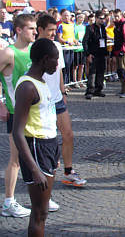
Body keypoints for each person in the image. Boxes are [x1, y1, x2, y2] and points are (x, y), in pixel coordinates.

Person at [12, 38, 60, 236]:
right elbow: (17, 131)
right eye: (55, 60)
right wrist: (34, 169)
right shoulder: (27, 87)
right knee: (39, 212)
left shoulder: (40, 81)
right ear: (44, 59)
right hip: (36, 147)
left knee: (43, 211)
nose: (57, 65)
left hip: (47, 145)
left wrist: (55, 151)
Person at [37, 15, 87, 188]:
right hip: (41, 102)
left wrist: (63, 91)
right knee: (45, 139)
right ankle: (41, 172)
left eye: (54, 29)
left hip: (57, 98)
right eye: (50, 30)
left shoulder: (57, 46)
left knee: (68, 134)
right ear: (40, 30)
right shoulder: (34, 49)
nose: (53, 33)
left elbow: (59, 71)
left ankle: (68, 170)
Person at [0, 14, 36, 217]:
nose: (34, 32)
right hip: (16, 114)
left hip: (36, 113)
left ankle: (41, 197)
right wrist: (0, 104)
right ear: (19, 30)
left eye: (35, 28)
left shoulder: (34, 50)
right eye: (31, 28)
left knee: (37, 157)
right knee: (15, 159)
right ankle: (8, 202)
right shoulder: (8, 53)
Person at [82, 10, 108, 100]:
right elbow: (85, 42)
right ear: (96, 18)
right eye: (100, 18)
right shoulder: (90, 28)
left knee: (101, 71)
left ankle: (98, 89)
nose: (102, 20)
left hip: (102, 53)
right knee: (92, 73)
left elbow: (104, 40)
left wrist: (106, 53)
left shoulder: (103, 28)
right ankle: (90, 91)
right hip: (93, 54)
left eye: (103, 18)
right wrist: (88, 54)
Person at [113, 9, 125, 98]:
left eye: (117, 16)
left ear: (121, 16)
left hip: (122, 52)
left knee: (124, 71)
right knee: (120, 71)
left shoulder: (124, 25)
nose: (116, 18)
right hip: (118, 50)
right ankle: (123, 89)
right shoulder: (117, 25)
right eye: (115, 16)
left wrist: (123, 50)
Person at [56, 9, 76, 85]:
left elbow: (73, 37)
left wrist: (75, 41)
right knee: (64, 66)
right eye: (65, 15)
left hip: (71, 48)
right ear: (62, 16)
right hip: (64, 48)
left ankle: (67, 83)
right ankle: (63, 84)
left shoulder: (72, 25)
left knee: (69, 66)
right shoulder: (61, 25)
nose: (67, 17)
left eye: (68, 15)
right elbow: (59, 38)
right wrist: (67, 42)